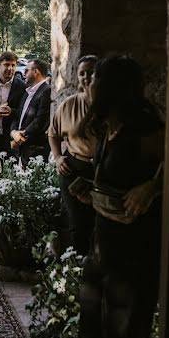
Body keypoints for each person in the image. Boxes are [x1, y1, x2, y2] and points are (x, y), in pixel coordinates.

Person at [71, 55, 164, 338]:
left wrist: (153, 187)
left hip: (133, 252)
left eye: (95, 78)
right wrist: (92, 189)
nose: (88, 82)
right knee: (91, 324)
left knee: (121, 337)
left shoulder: (146, 128)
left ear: (111, 87)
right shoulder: (108, 125)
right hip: (104, 241)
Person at [47, 55, 98, 255]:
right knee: (77, 223)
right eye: (82, 73)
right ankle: (77, 273)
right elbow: (53, 134)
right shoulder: (69, 105)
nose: (86, 77)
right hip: (74, 169)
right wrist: (58, 157)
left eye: (91, 72)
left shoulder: (109, 106)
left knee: (100, 224)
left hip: (101, 170)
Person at [9, 58, 53, 167]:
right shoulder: (27, 92)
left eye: (26, 70)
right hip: (22, 149)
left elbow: (40, 121)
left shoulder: (46, 91)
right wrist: (13, 132)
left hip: (35, 149)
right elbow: (18, 116)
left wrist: (20, 137)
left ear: (36, 72)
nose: (24, 74)